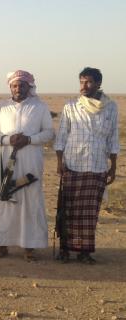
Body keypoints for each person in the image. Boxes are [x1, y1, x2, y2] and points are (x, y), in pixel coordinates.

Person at [0, 70, 54, 261]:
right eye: (14, 86)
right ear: (10, 87)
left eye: (22, 85)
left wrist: (29, 139)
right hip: (3, 161)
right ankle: (0, 244)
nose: (18, 89)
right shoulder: (1, 106)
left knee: (29, 201)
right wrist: (8, 139)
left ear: (29, 87)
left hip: (30, 161)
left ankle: (29, 247)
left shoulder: (40, 107)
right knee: (2, 201)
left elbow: (49, 133)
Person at [54, 67, 119, 264]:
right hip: (73, 164)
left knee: (90, 214)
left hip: (98, 165)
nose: (84, 86)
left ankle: (84, 252)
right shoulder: (71, 106)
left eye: (89, 82)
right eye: (82, 82)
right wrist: (59, 162)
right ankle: (65, 249)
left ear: (98, 83)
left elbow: (113, 137)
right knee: (68, 210)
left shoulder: (110, 107)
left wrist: (113, 166)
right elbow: (62, 136)